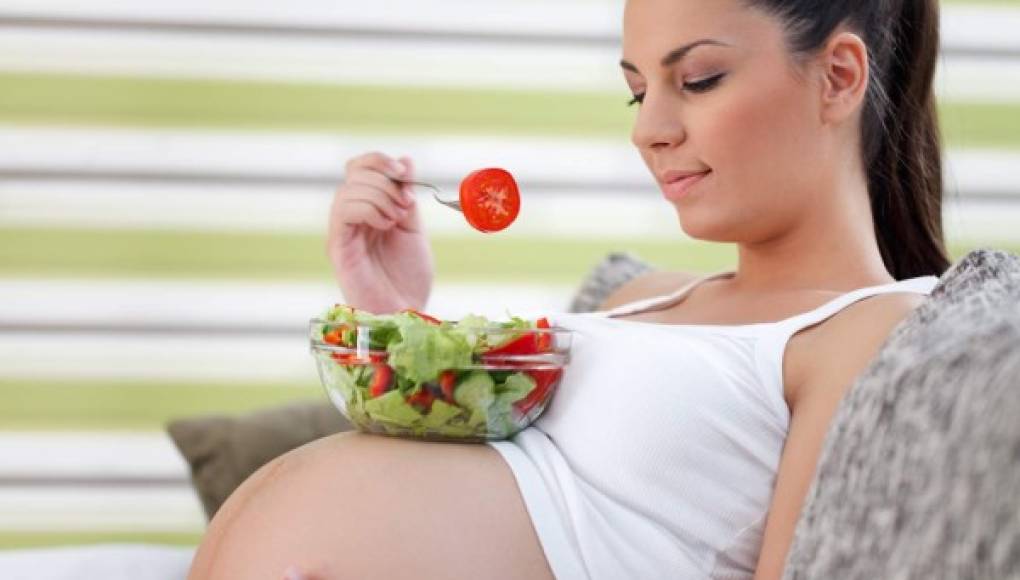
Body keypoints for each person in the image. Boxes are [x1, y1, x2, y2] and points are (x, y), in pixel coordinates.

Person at [187, 0, 950, 577]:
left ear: (839, 76)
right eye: (636, 90)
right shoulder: (642, 295)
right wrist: (397, 312)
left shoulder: (872, 330)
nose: (648, 128)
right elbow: (515, 493)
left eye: (698, 80)